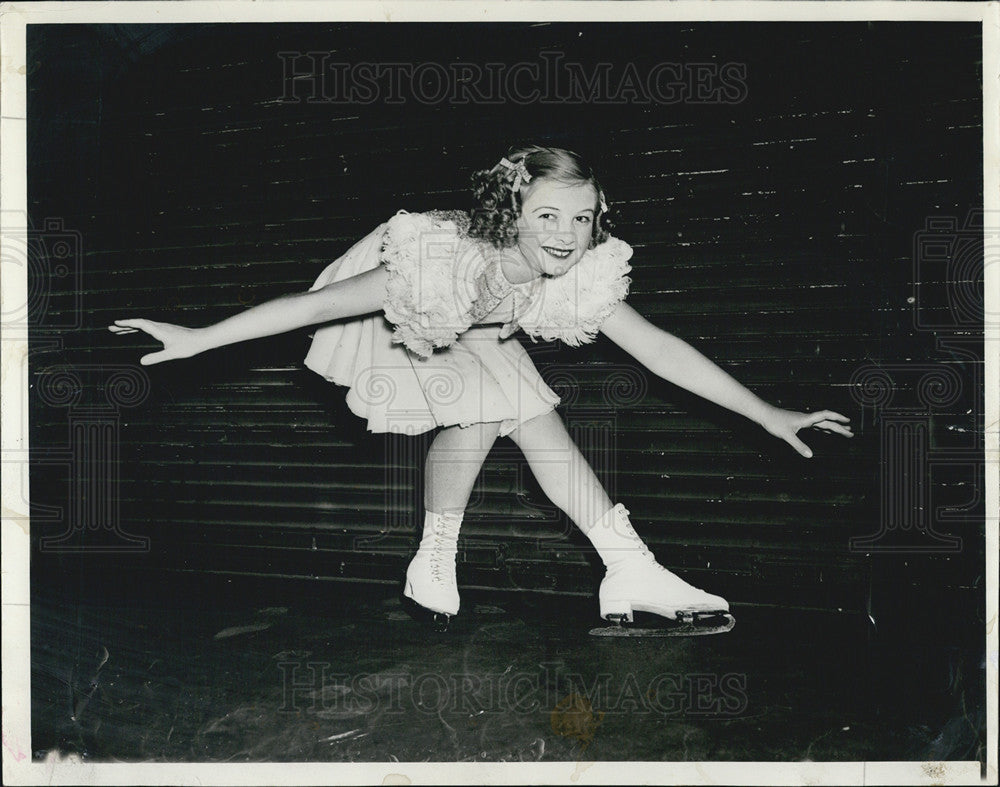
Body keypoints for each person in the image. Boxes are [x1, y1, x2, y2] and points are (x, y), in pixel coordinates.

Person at [109, 145, 853, 627]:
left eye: (583, 217)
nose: (566, 232)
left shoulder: (580, 272)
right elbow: (315, 307)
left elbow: (658, 347)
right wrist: (199, 338)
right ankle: (564, 563)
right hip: (412, 321)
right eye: (548, 215)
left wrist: (764, 412)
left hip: (480, 331)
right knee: (505, 409)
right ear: (514, 213)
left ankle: (612, 568)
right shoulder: (441, 258)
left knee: (516, 414)